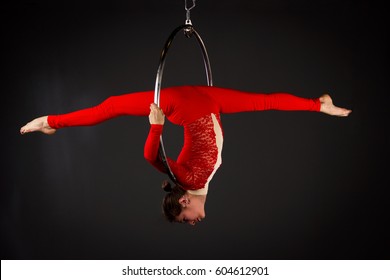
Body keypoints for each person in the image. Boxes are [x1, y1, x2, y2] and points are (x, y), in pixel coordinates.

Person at [20, 85, 352, 225]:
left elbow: (153, 158)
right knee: (263, 101)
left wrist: (156, 126)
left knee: (109, 107)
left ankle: (47, 122)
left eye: (186, 220)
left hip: (185, 105)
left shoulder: (190, 179)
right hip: (209, 100)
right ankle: (319, 105)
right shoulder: (199, 181)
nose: (193, 222)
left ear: (183, 203)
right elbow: (169, 156)